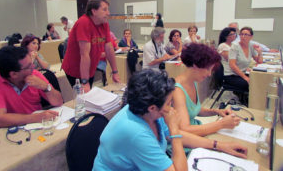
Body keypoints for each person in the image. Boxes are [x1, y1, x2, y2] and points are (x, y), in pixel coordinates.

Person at [93, 69, 247, 171]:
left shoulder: (146, 110)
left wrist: (219, 145)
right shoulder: (136, 133)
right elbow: (175, 138)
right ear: (153, 107)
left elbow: (180, 135)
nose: (171, 107)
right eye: (168, 103)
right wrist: (174, 130)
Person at [0, 46, 63, 132]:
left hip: (34, 128)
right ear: (14, 74)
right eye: (28, 66)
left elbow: (58, 102)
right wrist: (36, 117)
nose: (33, 67)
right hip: (4, 133)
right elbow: (0, 120)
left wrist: (46, 87)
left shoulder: (34, 74)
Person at [173, 43, 240, 138]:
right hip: (187, 139)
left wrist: (216, 111)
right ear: (195, 65)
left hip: (195, 132)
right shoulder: (177, 91)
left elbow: (194, 110)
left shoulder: (193, 81)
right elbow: (184, 130)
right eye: (208, 69)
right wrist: (221, 124)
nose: (209, 74)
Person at [62, 0, 120, 92]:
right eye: (104, 10)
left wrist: (115, 72)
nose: (108, 13)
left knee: (89, 95)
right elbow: (84, 54)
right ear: (94, 11)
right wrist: (85, 81)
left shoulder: (104, 23)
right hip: (75, 69)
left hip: (90, 68)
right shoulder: (84, 23)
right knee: (82, 97)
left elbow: (109, 48)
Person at [225, 27, 263, 93]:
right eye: (241, 34)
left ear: (251, 37)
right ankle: (248, 101)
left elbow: (259, 61)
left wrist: (260, 52)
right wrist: (245, 77)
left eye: (246, 34)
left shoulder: (251, 45)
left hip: (242, 74)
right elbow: (232, 65)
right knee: (251, 84)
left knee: (259, 80)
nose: (243, 36)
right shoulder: (235, 46)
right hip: (232, 75)